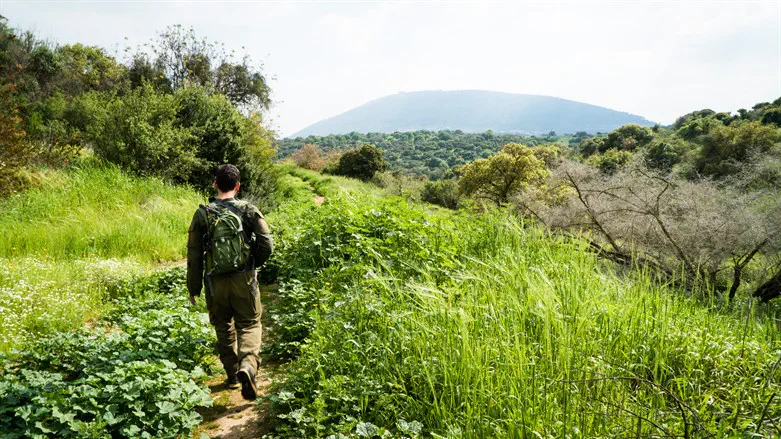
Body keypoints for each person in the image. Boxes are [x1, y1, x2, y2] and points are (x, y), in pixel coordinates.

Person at [187, 164, 273, 400]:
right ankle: (248, 365)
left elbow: (194, 254)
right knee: (250, 323)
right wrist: (253, 262)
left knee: (223, 325)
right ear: (237, 186)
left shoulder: (202, 214)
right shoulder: (248, 210)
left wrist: (193, 288)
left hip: (215, 283)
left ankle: (233, 376)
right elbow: (266, 243)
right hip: (243, 278)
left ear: (215, 184)